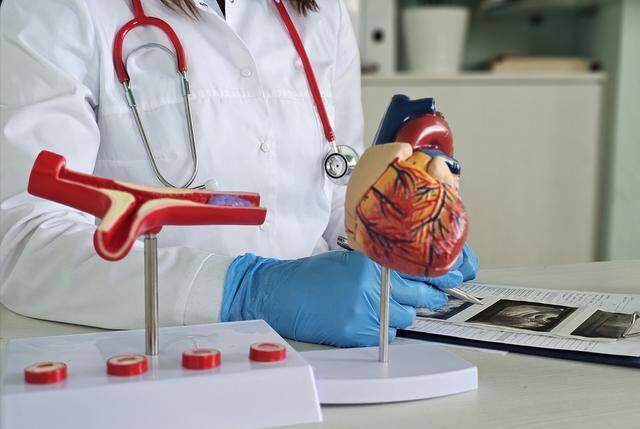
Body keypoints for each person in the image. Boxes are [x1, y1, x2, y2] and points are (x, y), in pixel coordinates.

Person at [0, 0, 478, 347]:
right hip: (152, 358)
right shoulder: (56, 10)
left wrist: (388, 238)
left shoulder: (319, 11)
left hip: (323, 358)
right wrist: (245, 291)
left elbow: (335, 193)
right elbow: (25, 242)